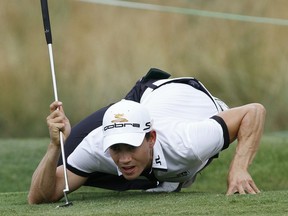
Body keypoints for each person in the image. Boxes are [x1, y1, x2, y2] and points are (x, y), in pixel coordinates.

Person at [28, 68, 266, 204]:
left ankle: (172, 175)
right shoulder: (98, 145)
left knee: (178, 160)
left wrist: (239, 168)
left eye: (130, 147)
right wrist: (53, 147)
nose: (123, 159)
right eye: (116, 148)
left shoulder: (189, 142)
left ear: (151, 138)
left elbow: (253, 111)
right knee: (60, 166)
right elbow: (40, 195)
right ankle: (167, 175)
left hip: (186, 99)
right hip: (146, 103)